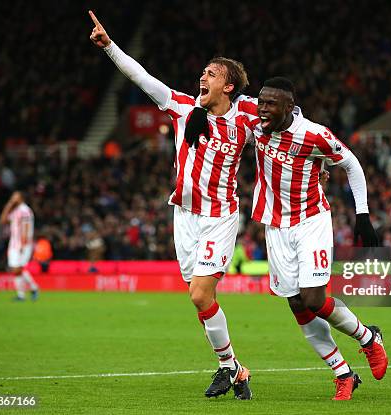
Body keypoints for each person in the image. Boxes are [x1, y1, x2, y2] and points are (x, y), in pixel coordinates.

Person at [89, 10, 256, 399]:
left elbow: (285, 123)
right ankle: (234, 369)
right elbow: (143, 79)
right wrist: (110, 47)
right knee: (201, 300)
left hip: (219, 215)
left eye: (212, 74)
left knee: (200, 295)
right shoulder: (183, 108)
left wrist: (318, 166)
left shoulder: (247, 116)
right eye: (203, 71)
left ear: (229, 86)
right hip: (184, 214)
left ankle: (226, 367)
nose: (203, 76)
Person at [252, 77, 388, 401]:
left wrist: (363, 214)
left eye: (271, 104)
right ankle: (343, 374)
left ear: (289, 107)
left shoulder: (313, 134)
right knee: (297, 304)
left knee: (313, 299)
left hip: (311, 221)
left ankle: (368, 338)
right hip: (275, 225)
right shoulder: (255, 126)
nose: (263, 109)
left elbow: (352, 164)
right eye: (261, 102)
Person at [0, 191, 38, 301]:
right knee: (15, 269)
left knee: (18, 268)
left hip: (22, 244)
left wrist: (23, 243)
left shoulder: (25, 210)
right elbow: (3, 220)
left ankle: (30, 289)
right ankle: (26, 292)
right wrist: (8, 206)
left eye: (15, 196)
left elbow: (26, 227)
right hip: (13, 243)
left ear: (21, 198)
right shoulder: (15, 210)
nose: (13, 198)